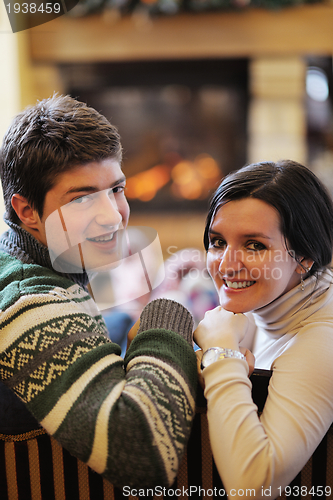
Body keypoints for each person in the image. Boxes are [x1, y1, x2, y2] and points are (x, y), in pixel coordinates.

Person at [0, 94, 198, 489]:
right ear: (26, 210)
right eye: (83, 198)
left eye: (117, 190)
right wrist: (169, 308)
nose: (113, 215)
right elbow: (141, 453)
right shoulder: (32, 301)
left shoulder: (38, 259)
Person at [194, 160, 333, 499]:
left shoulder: (322, 340)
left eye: (254, 245)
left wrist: (220, 352)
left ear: (305, 257)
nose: (226, 265)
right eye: (217, 242)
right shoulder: (270, 300)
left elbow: (252, 485)